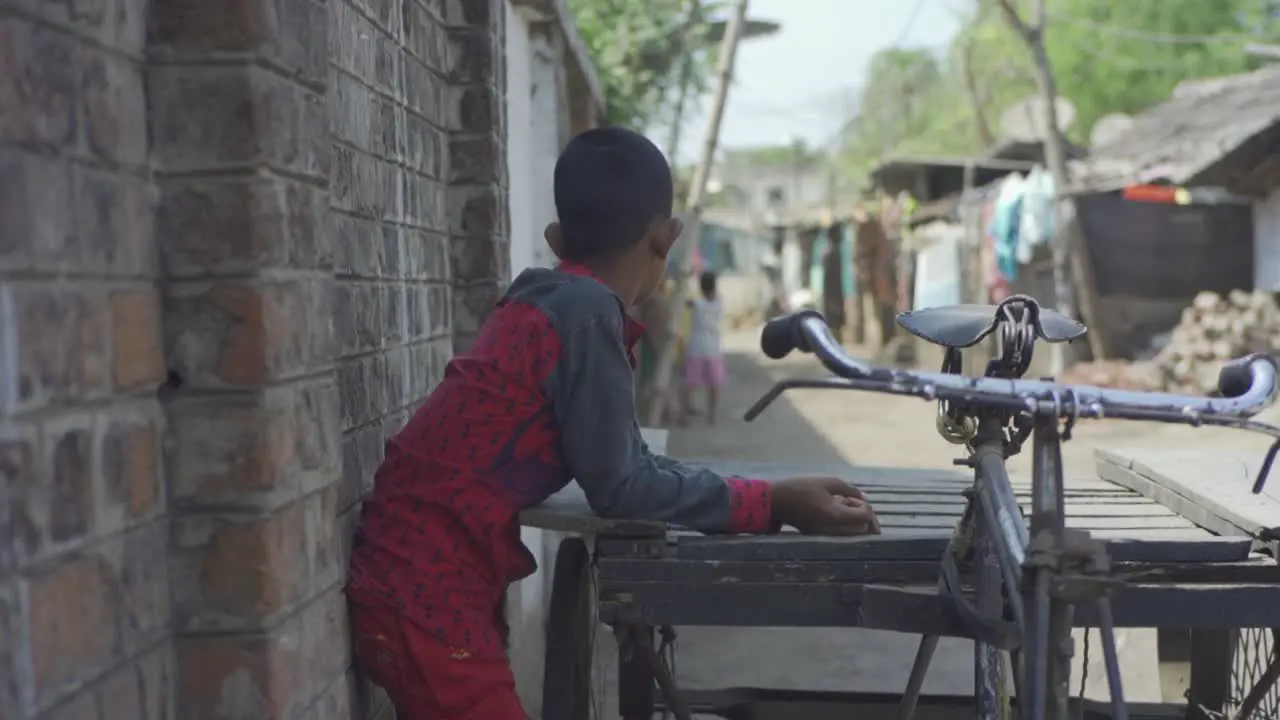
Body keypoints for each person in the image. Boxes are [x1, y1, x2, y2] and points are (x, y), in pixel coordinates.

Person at [343, 127, 881, 720]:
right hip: (425, 596)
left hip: (406, 578)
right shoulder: (587, 315)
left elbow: (621, 461)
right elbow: (622, 484)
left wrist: (766, 495)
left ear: (557, 239)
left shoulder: (541, 301)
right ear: (665, 237)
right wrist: (773, 503)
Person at [685, 270, 727, 424]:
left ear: (701, 287)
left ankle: (684, 416)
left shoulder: (697, 303)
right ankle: (712, 416)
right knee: (714, 385)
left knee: (691, 383)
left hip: (696, 348)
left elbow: (686, 302)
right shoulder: (719, 303)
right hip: (714, 350)